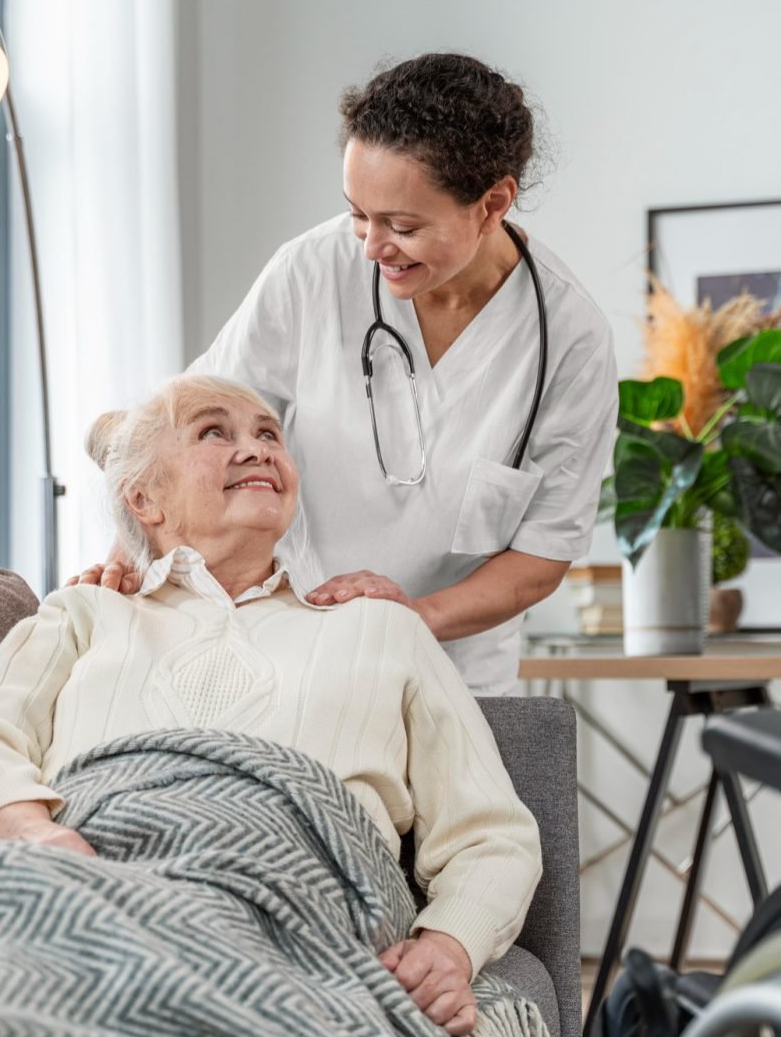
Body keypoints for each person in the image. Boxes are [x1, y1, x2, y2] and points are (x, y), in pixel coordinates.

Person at [0, 376, 542, 1037]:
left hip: (305, 895)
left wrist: (448, 947)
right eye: (216, 432)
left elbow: (492, 833)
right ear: (144, 497)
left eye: (269, 435)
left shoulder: (381, 627)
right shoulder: (85, 612)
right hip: (92, 876)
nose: (257, 449)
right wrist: (29, 829)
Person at [82, 52, 618, 696]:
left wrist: (408, 619)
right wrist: (130, 549)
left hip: (451, 677)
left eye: (403, 225)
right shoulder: (313, 270)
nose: (370, 247)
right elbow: (184, 427)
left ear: (493, 202)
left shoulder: (570, 340)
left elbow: (539, 559)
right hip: (280, 650)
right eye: (359, 213)